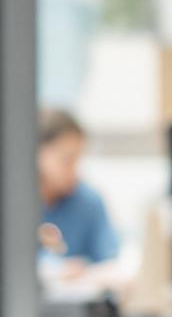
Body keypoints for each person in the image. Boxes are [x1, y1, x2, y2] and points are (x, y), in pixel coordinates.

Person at [36, 107, 121, 277]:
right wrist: (56, 270)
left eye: (77, 159)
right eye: (67, 160)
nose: (74, 170)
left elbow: (110, 261)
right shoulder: (14, 203)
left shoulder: (88, 202)